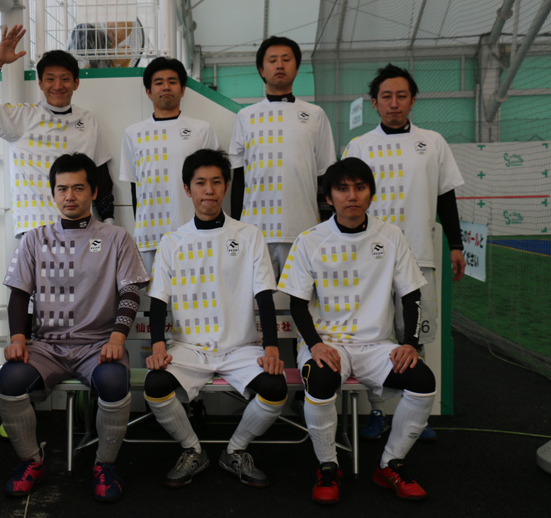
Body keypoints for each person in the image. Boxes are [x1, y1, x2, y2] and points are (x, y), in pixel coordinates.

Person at [278, 157, 436, 504]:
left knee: (423, 381)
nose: (352, 196)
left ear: (371, 194)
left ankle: (390, 464)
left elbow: (411, 295)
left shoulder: (391, 236)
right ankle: (328, 467)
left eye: (360, 187)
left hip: (376, 345)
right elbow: (298, 304)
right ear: (329, 197)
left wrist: (410, 343)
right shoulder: (309, 240)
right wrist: (315, 345)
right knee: (320, 380)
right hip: (327, 343)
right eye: (343, 188)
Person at [0, 153, 149, 502]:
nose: (69, 196)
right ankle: (30, 462)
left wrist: (117, 337)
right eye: (62, 188)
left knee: (114, 381)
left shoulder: (116, 238)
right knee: (10, 379)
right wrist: (18, 338)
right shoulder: (34, 239)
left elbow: (130, 292)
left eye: (78, 188)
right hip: (47, 346)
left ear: (93, 192)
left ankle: (105, 466)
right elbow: (19, 294)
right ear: (52, 193)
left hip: (98, 344)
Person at [144, 149, 287, 488]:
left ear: (226, 187)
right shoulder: (172, 241)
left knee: (275, 387)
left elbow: (263, 294)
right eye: (200, 183)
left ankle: (235, 450)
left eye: (216, 182)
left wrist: (271, 346)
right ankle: (192, 449)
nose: (209, 190)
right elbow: (158, 300)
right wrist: (158, 345)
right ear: (187, 189)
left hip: (240, 347)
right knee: (155, 385)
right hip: (189, 348)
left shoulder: (249, 235)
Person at [343, 64, 465, 441]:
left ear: (413, 100)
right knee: (376, 338)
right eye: (386, 97)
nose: (393, 103)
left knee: (414, 336)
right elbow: (343, 203)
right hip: (369, 261)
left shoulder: (433, 142)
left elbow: (446, 197)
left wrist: (456, 244)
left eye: (401, 96)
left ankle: (417, 417)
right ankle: (378, 412)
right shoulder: (358, 146)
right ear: (374, 103)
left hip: (419, 255)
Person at [0, 25, 114, 237]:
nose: (58, 86)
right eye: (50, 79)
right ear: (40, 83)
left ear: (76, 83)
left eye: (65, 78)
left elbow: (100, 175)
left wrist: (109, 222)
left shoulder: (88, 120)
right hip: (34, 229)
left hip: (80, 228)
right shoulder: (22, 117)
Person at [229, 36, 335, 279]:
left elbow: (324, 176)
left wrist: (327, 226)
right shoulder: (245, 117)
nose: (279, 65)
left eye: (286, 59)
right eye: (272, 60)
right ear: (261, 69)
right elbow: (239, 178)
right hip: (255, 231)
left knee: (302, 300)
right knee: (258, 301)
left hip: (304, 230)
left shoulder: (315, 115)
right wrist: (236, 227)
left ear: (296, 68)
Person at [119, 57, 219, 272]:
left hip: (193, 232)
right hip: (149, 236)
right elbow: (134, 187)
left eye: (172, 81)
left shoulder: (202, 130)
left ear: (183, 90)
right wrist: (141, 228)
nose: (166, 87)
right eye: (159, 82)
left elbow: (215, 183)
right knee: (154, 292)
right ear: (148, 91)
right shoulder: (133, 133)